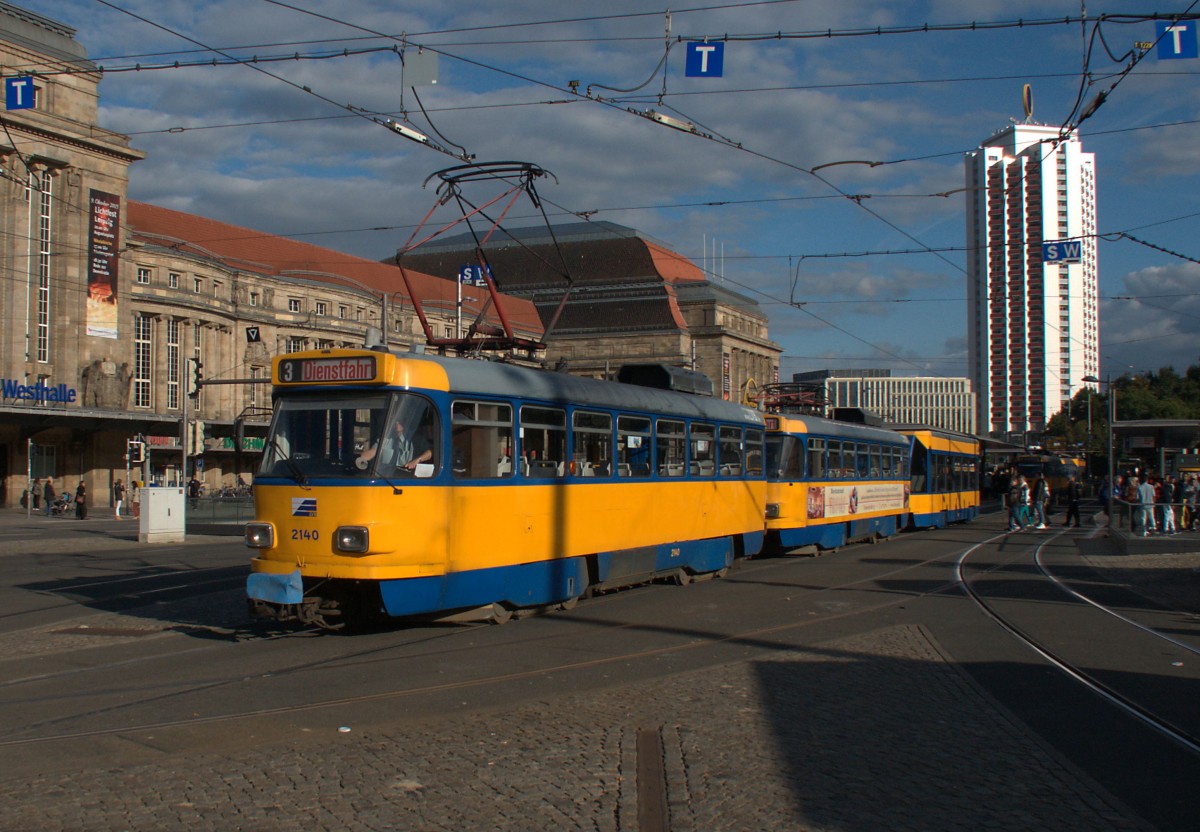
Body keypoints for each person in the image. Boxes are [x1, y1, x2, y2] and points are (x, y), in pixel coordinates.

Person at [357, 419, 432, 473]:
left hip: (407, 477)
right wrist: (360, 458)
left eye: (399, 421)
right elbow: (372, 452)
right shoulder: (385, 439)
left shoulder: (415, 438)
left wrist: (417, 460)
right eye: (394, 421)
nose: (396, 424)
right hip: (386, 476)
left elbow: (429, 453)